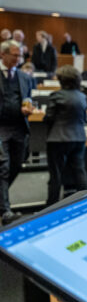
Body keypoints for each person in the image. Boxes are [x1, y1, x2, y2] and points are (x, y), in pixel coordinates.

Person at [0, 40, 34, 224]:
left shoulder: (24, 77)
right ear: (2, 55)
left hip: (19, 128)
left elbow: (28, 97)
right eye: (15, 55)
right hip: (1, 128)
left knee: (16, 164)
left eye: (20, 55)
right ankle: (5, 211)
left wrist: (29, 107)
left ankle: (1, 202)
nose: (19, 59)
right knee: (3, 167)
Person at [43, 65, 87, 205]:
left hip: (58, 138)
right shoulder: (82, 96)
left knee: (56, 174)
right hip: (79, 137)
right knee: (79, 171)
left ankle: (52, 205)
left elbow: (48, 118)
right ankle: (85, 200)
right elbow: (84, 119)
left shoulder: (56, 96)